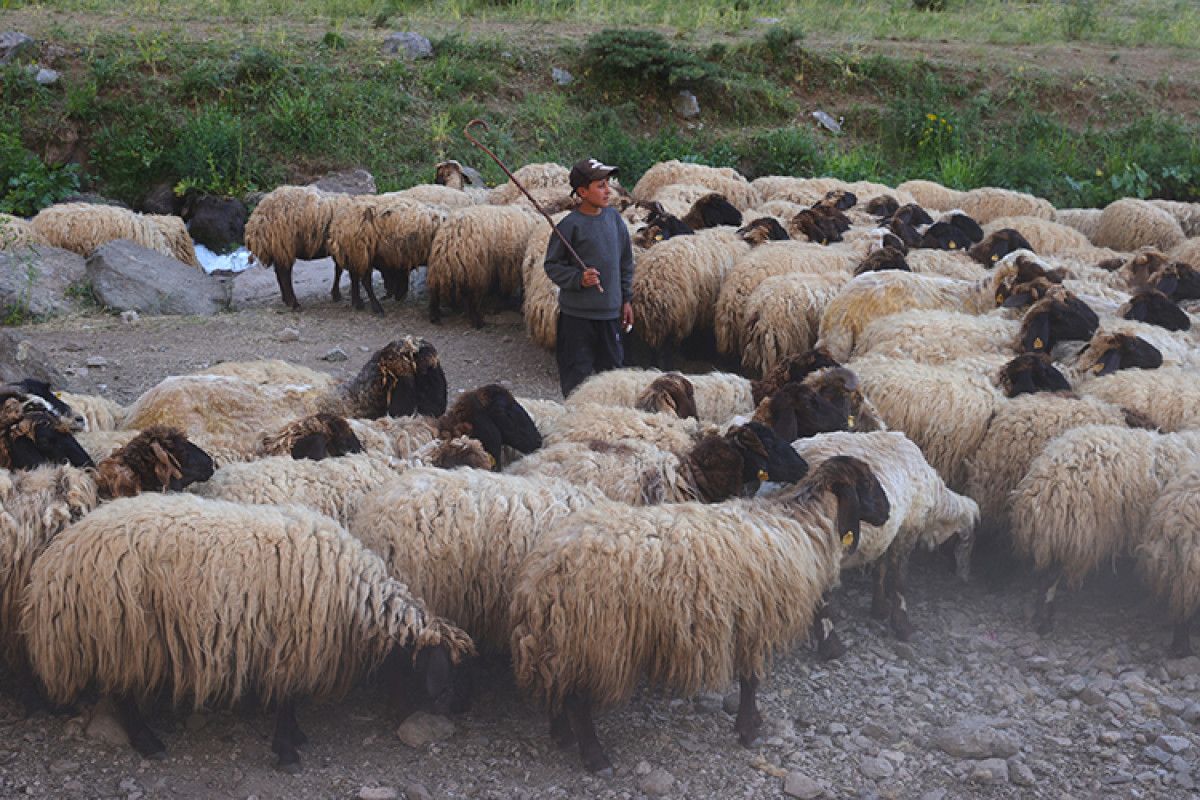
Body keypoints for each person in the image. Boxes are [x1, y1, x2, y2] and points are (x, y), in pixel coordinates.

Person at [543, 158, 635, 397]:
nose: (608, 191)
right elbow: (552, 265)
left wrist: (626, 299)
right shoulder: (569, 226)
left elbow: (625, 262)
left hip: (609, 314)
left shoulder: (614, 220)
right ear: (583, 192)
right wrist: (578, 278)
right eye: (600, 186)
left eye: (608, 184)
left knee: (613, 378)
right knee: (577, 377)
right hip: (577, 318)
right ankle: (575, 422)